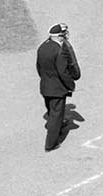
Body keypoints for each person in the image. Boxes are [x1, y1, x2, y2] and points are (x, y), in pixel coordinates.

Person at [36, 23, 80, 151]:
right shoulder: (59, 51)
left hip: (45, 86)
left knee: (51, 110)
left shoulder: (42, 47)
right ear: (59, 37)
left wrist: (46, 80)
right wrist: (70, 85)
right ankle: (51, 144)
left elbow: (38, 67)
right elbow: (63, 72)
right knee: (56, 115)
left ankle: (60, 124)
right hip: (57, 89)